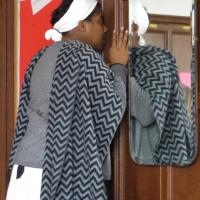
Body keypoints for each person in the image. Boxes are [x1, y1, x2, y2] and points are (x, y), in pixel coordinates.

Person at [6, 0, 128, 199]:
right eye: (100, 21)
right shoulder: (85, 55)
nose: (105, 29)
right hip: (56, 172)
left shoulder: (40, 56)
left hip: (24, 168)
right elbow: (111, 111)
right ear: (82, 24)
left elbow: (24, 117)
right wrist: (118, 66)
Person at [129, 0, 195, 165]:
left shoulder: (155, 59)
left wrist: (121, 69)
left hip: (151, 164)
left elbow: (146, 113)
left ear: (135, 28)